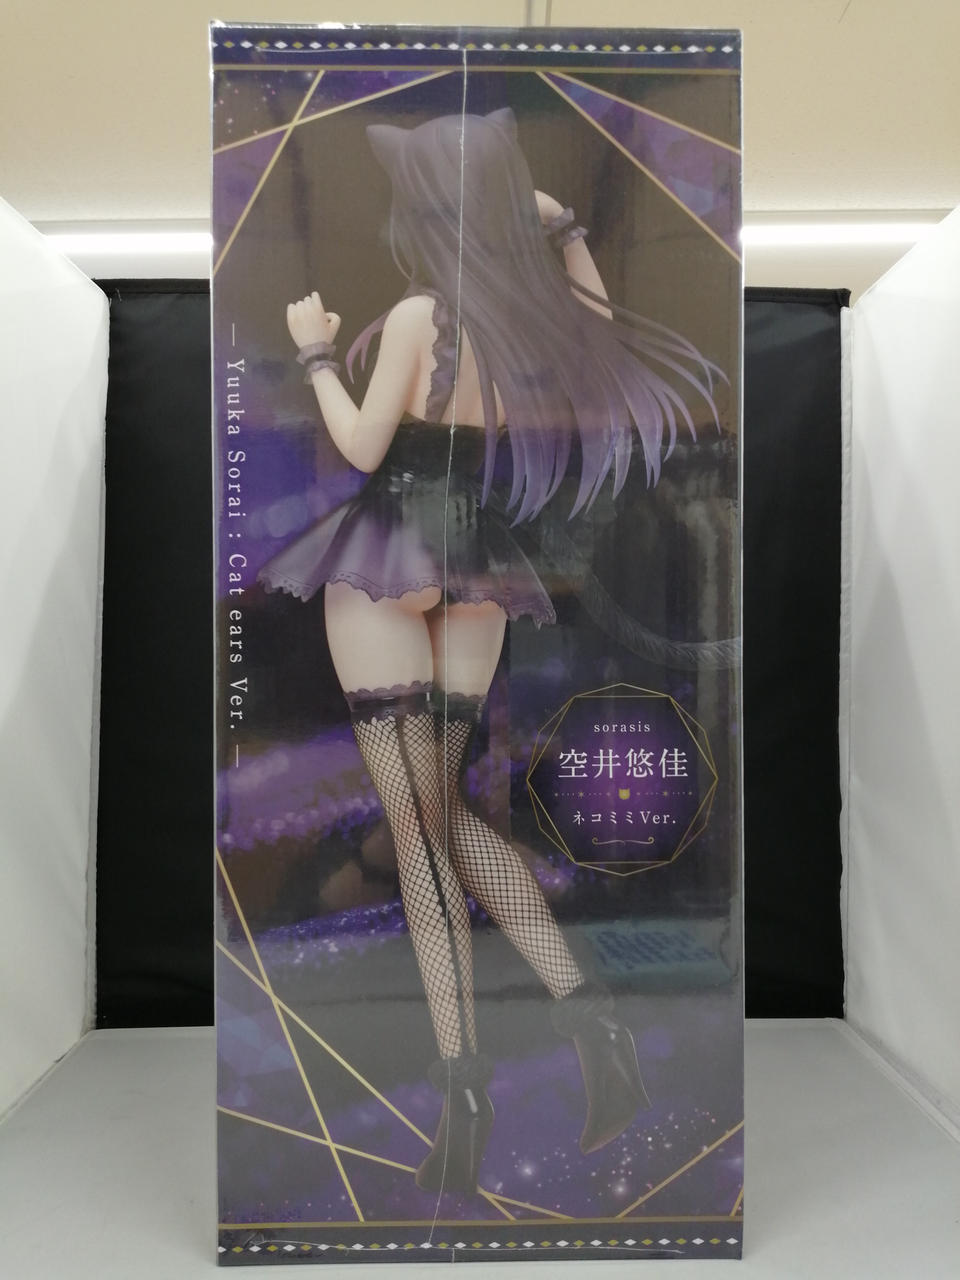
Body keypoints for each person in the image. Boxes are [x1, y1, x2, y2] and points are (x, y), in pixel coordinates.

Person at [258, 107, 720, 1194]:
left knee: (419, 831)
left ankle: (463, 1095)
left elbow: (362, 443)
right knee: (444, 812)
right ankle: (596, 1024)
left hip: (388, 552)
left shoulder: (421, 314)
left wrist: (316, 351)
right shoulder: (540, 324)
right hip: (479, 567)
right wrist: (563, 234)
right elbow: (599, 333)